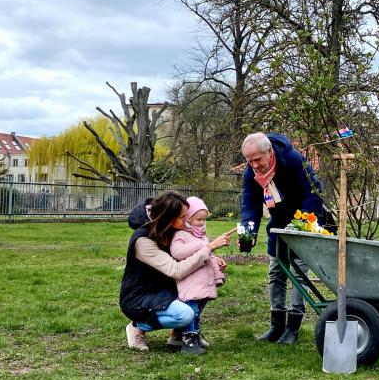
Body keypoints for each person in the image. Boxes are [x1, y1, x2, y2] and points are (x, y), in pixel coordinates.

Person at [241, 132, 328, 345]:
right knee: (275, 273)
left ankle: (293, 328)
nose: (253, 165)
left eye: (257, 159)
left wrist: (301, 224)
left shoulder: (293, 160)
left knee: (298, 274)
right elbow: (249, 204)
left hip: (303, 222)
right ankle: (276, 326)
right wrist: (247, 232)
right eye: (249, 160)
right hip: (278, 224)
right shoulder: (251, 173)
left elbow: (313, 192)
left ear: (269, 151)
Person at [120, 191, 232, 355]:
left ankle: (178, 334)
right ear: (167, 218)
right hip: (140, 295)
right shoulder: (143, 240)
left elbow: (189, 251)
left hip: (165, 288)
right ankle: (137, 326)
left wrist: (212, 259)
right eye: (182, 217)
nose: (185, 220)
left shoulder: (169, 229)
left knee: (200, 284)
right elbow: (176, 270)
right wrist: (209, 248)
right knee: (185, 314)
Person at [166, 196, 227, 353]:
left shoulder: (201, 236)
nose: (201, 223)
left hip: (202, 281)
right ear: (187, 218)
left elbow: (205, 253)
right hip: (190, 281)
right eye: (198, 219)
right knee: (191, 310)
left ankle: (194, 335)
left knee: (198, 310)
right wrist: (204, 245)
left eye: (204, 220)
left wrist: (216, 260)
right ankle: (189, 340)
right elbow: (177, 252)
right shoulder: (181, 235)